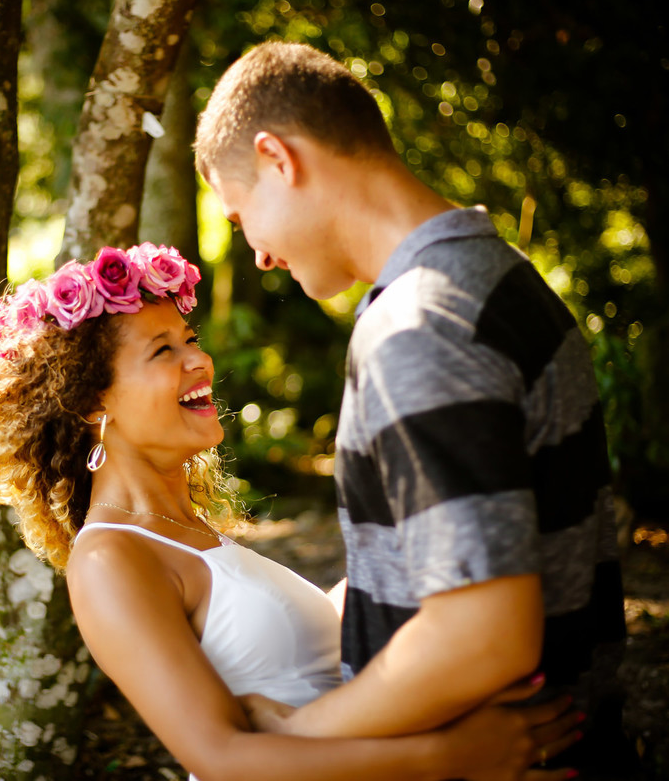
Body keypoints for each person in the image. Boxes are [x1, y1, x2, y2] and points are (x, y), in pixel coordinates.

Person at [0, 245, 582, 781]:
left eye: (190, 339)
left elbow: (293, 663)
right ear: (93, 403)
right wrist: (453, 756)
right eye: (162, 351)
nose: (199, 360)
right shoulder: (109, 559)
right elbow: (222, 757)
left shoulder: (186, 533)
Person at [194, 41, 633, 777]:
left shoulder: (418, 330)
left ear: (278, 158)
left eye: (241, 219)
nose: (259, 255)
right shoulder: (499, 275)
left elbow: (482, 636)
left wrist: (299, 731)